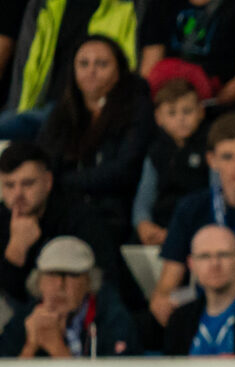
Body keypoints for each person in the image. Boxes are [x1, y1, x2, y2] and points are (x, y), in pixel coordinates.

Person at [153, 112, 235, 326]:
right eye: (227, 157)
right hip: (205, 311)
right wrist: (163, 301)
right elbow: (167, 284)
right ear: (211, 160)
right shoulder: (192, 208)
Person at [39, 34, 153, 252]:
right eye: (83, 64)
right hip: (63, 208)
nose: (91, 71)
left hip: (112, 211)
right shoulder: (61, 112)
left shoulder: (137, 108)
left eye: (101, 64)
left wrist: (64, 181)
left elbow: (125, 170)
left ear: (120, 69)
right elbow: (44, 161)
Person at [1, 0, 139, 141]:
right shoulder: (46, 4)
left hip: (92, 110)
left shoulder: (126, 6)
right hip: (35, 105)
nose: (91, 70)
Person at [1, 143, 114, 314]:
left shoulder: (80, 217)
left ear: (48, 181)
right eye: (9, 185)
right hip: (25, 319)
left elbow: (103, 283)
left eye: (27, 184)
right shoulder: (2, 217)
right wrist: (16, 249)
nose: (18, 194)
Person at [162, 224, 235, 355]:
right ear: (191, 264)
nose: (214, 264)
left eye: (223, 255)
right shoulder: (179, 320)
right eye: (204, 256)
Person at [15, 235, 139, 357]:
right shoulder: (25, 318)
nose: (59, 285)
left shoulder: (112, 318)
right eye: (51, 274)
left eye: (71, 275)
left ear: (89, 281)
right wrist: (31, 345)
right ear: (38, 282)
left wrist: (56, 346)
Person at [138, 0, 235, 110]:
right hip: (166, 104)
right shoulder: (161, 4)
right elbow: (149, 70)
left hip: (222, 106)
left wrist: (207, 106)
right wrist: (165, 109)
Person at [134, 78, 210, 248]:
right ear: (158, 117)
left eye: (187, 111)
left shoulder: (210, 147)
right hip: (161, 226)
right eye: (172, 113)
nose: (181, 119)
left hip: (199, 225)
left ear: (201, 112)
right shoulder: (155, 152)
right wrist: (143, 224)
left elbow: (217, 195)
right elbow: (143, 199)